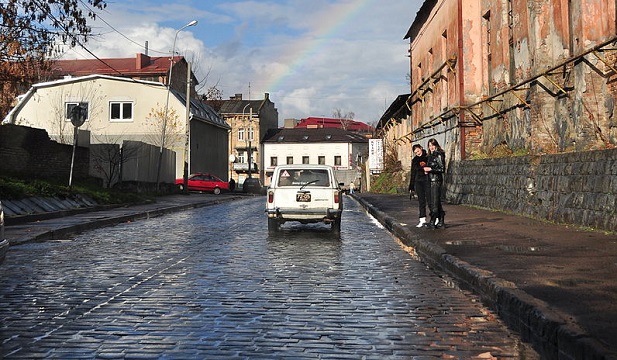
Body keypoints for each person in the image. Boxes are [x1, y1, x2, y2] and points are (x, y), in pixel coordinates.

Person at [423, 138, 446, 229]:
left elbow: (442, 169)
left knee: (434, 202)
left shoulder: (439, 154)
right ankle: (440, 220)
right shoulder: (431, 155)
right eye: (429, 146)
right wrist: (427, 171)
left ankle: (432, 221)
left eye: (432, 145)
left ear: (436, 145)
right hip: (431, 180)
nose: (431, 147)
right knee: (435, 201)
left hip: (436, 181)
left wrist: (430, 169)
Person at [408, 144, 430, 227]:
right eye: (415, 152)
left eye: (418, 151)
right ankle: (422, 219)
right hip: (418, 181)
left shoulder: (427, 157)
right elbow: (413, 173)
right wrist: (411, 186)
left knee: (430, 200)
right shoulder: (415, 160)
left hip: (427, 180)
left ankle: (435, 218)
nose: (417, 153)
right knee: (421, 201)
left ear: (421, 148)